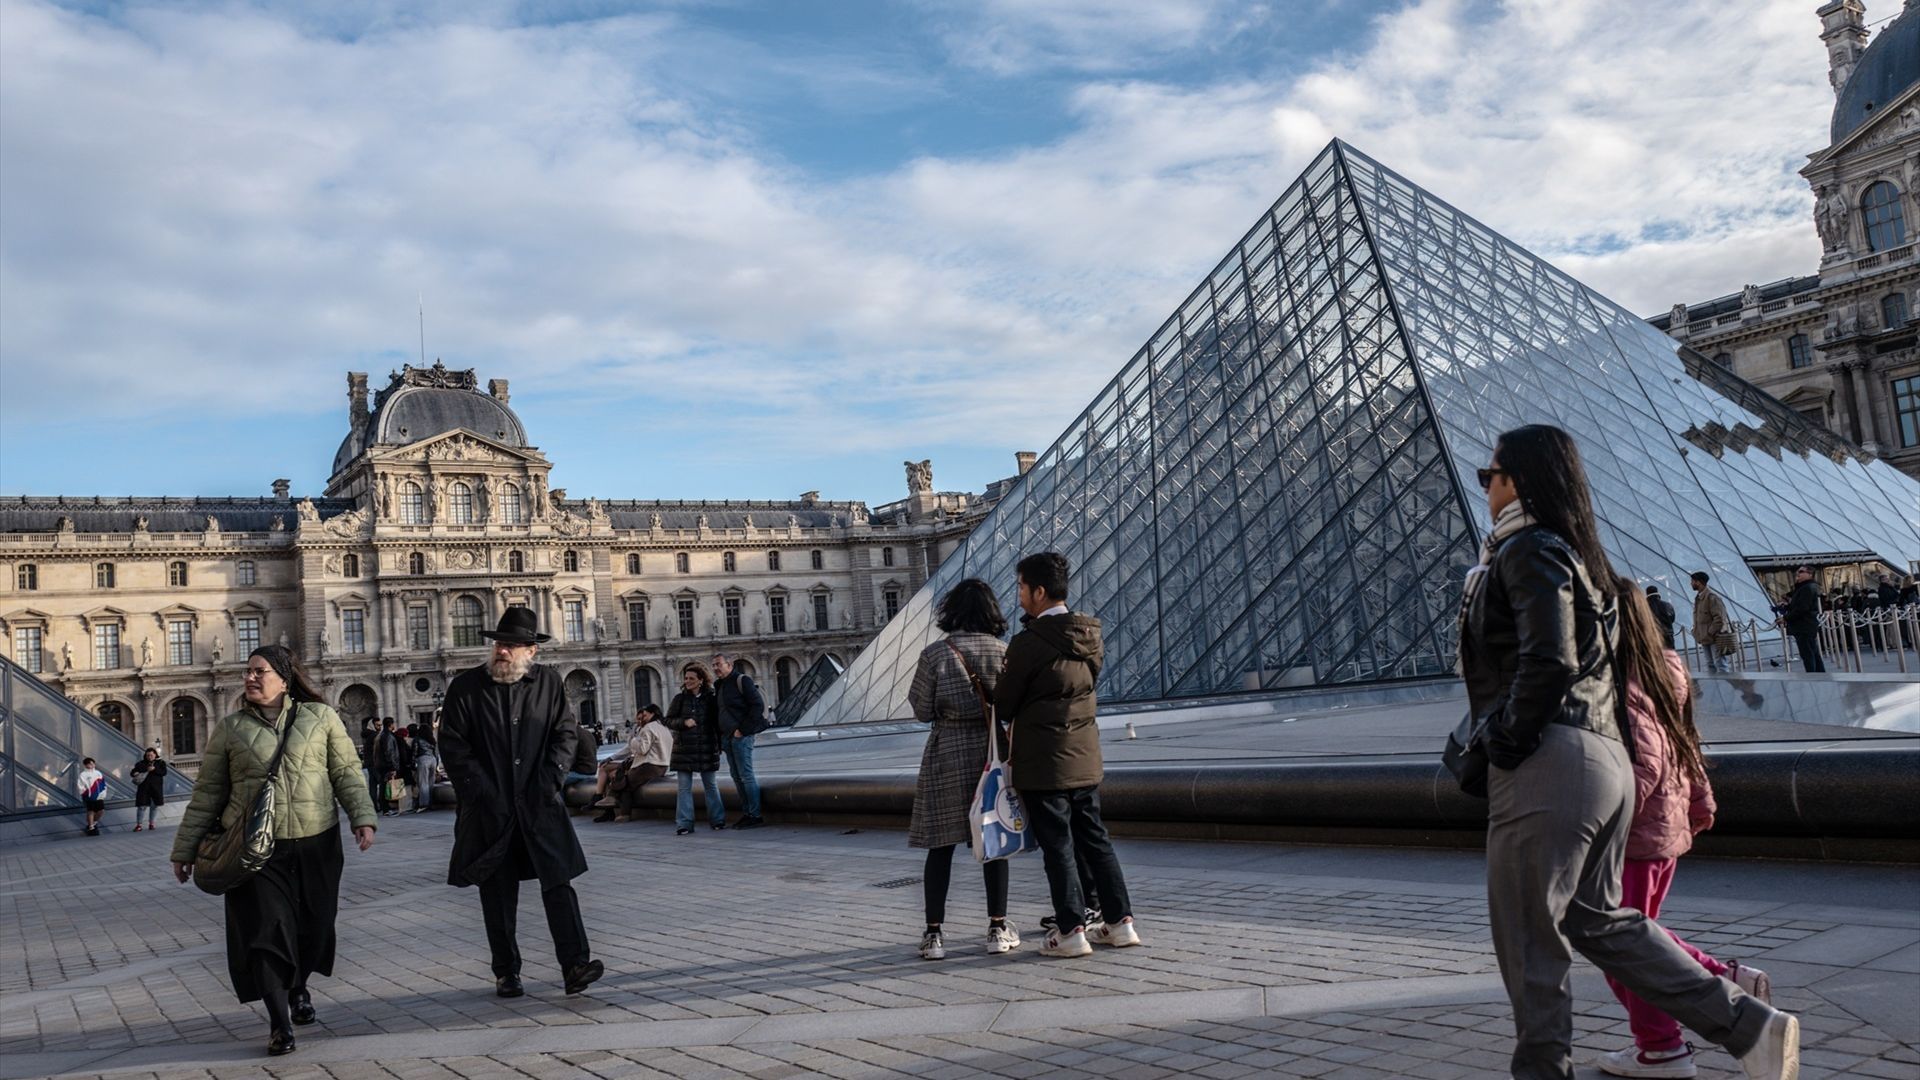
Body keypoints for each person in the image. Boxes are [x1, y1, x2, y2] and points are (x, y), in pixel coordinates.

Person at [1459, 425, 1797, 1080]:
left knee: (1530, 941)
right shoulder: (1582, 558)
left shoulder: (1528, 548)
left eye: (1489, 474)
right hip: (1601, 763)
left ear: (1519, 480)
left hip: (1547, 764)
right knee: (1600, 923)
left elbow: (1548, 658)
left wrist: (1506, 736)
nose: (1486, 487)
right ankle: (1748, 1024)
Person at [1599, 577, 1773, 1078]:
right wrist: (1700, 801)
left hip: (1632, 834)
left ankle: (1664, 1044)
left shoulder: (1619, 676)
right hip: (1663, 827)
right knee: (1632, 938)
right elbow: (1683, 740)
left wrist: (1591, 825)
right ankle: (1669, 1033)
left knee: (1625, 946)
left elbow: (1643, 763)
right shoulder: (1662, 665)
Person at [169, 645, 377, 1057]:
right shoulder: (230, 728)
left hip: (317, 841)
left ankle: (299, 987)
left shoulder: (320, 717)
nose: (250, 677)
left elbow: (346, 771)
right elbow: (208, 794)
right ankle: (280, 1023)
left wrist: (361, 815)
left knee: (313, 928)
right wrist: (185, 848)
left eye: (259, 671)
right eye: (247, 671)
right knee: (265, 934)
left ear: (284, 677)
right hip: (255, 850)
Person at [439, 608, 603, 999]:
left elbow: (566, 735)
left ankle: (575, 964)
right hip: (490, 809)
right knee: (497, 892)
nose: (502, 651)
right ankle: (506, 971)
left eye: (511, 645)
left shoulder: (549, 684)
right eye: (499, 643)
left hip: (538, 803)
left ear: (532, 650)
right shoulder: (466, 687)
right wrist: (481, 791)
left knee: (558, 884)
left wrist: (549, 781)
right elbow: (453, 746)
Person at [999, 551, 1139, 960]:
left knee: (1058, 846)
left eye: (1022, 587)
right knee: (1096, 840)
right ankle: (1120, 923)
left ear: (1039, 592)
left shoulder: (1028, 644)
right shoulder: (1089, 635)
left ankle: (1071, 931)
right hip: (1085, 755)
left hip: (1044, 762)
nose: (1020, 595)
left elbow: (1005, 704)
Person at [908, 578, 1020, 961]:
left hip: (946, 753)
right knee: (994, 844)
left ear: (951, 611)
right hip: (992, 754)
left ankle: (934, 934)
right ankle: (997, 928)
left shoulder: (936, 654)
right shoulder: (1004, 652)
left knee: (940, 846)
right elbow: (1011, 707)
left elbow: (922, 710)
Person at [666, 665, 726, 835]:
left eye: (691, 678)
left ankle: (718, 820)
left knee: (711, 785)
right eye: (686, 678)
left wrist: (719, 746)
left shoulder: (711, 699)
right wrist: (683, 723)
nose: (687, 682)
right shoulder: (679, 699)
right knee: (684, 788)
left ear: (701, 680)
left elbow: (717, 724)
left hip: (707, 747)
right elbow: (668, 720)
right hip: (684, 749)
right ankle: (684, 824)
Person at [712, 654, 767, 829]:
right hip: (727, 737)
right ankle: (747, 813)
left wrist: (742, 730)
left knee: (746, 775)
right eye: (713, 665)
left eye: (718, 664)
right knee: (737, 776)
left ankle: (755, 814)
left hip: (740, 736)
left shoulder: (742, 680)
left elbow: (758, 705)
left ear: (729, 664)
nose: (715, 668)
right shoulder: (719, 685)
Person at [596, 706, 672, 823]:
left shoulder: (648, 728)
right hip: (662, 766)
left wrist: (633, 739)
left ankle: (622, 812)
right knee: (624, 780)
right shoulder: (663, 727)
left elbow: (642, 749)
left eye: (645, 715)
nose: (643, 719)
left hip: (648, 766)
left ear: (653, 714)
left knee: (624, 784)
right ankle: (611, 800)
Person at [1778, 566, 1825, 674]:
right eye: (1797, 571)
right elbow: (1799, 606)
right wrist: (1787, 607)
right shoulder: (1805, 587)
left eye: (1801, 571)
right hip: (1805, 625)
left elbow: (1802, 608)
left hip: (1804, 626)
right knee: (1813, 653)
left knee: (1808, 654)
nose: (1797, 574)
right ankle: (1820, 675)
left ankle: (1813, 678)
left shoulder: (1807, 588)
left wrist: (1785, 618)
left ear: (1810, 574)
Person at [1689, 572, 1734, 673]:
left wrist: (1710, 632)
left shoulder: (1712, 597)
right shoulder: (1699, 597)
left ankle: (1726, 687)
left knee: (1720, 664)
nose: (1690, 583)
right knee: (1710, 664)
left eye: (1692, 581)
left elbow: (1719, 618)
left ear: (1699, 582)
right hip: (1704, 638)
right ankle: (1716, 687)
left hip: (1714, 638)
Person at [130, 747, 169, 832]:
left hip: (156, 788)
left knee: (154, 806)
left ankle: (152, 823)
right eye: (148, 755)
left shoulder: (161, 763)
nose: (149, 757)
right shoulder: (140, 763)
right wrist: (135, 773)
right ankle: (139, 825)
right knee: (141, 806)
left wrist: (155, 769)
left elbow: (164, 772)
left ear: (155, 755)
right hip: (143, 788)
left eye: (151, 755)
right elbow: (133, 772)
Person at [369, 718, 401, 816]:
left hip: (380, 765)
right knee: (385, 786)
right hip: (387, 765)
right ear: (391, 724)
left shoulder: (381, 735)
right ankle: (386, 809)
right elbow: (389, 752)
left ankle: (385, 808)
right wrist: (393, 766)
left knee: (384, 786)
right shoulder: (388, 736)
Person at [409, 724, 439, 813]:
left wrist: (412, 764)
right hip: (433, 760)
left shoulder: (417, 739)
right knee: (431, 783)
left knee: (423, 783)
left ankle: (423, 804)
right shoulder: (432, 740)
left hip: (423, 759)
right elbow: (436, 753)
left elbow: (414, 752)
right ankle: (430, 803)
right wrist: (437, 765)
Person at [78, 757, 107, 836]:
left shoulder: (98, 773)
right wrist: (86, 793)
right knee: (91, 811)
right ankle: (91, 827)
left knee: (101, 811)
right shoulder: (83, 775)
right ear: (86, 765)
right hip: (89, 796)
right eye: (90, 764)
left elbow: (103, 784)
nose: (92, 765)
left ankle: (93, 822)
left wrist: (103, 793)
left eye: (93, 763)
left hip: (99, 796)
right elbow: (80, 786)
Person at [1644, 584, 1676, 649]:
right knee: (1669, 656)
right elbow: (1672, 619)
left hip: (1652, 636)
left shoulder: (1644, 607)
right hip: (1668, 635)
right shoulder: (1667, 605)